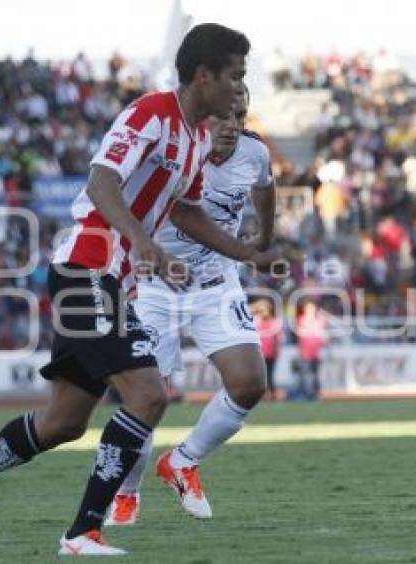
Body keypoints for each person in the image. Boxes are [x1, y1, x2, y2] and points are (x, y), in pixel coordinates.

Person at [0, 23, 279, 556]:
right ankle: (83, 531)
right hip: (87, 267)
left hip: (114, 279)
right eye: (235, 76)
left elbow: (185, 209)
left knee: (62, 422)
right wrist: (142, 242)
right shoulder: (151, 114)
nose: (240, 88)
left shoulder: (198, 137)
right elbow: (100, 181)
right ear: (205, 76)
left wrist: (246, 252)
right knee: (148, 394)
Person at [105, 87, 276, 526]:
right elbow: (174, 211)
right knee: (146, 399)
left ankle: (182, 461)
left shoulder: (254, 153)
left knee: (250, 383)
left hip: (216, 283)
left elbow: (266, 186)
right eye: (223, 117)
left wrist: (264, 238)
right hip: (154, 284)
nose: (231, 127)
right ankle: (126, 492)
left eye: (239, 116)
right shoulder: (178, 150)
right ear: (204, 117)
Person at [291, 300, 327, 400]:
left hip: (316, 352)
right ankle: (309, 394)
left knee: (315, 374)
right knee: (307, 375)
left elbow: (322, 334)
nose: (310, 310)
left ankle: (315, 393)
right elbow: (300, 332)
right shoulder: (301, 320)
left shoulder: (320, 320)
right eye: (308, 308)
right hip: (305, 352)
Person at [253, 298, 282, 401]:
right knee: (261, 376)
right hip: (259, 352)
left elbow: (278, 335)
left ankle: (271, 394)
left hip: (271, 352)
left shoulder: (274, 321)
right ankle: (262, 395)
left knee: (270, 375)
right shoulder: (256, 320)